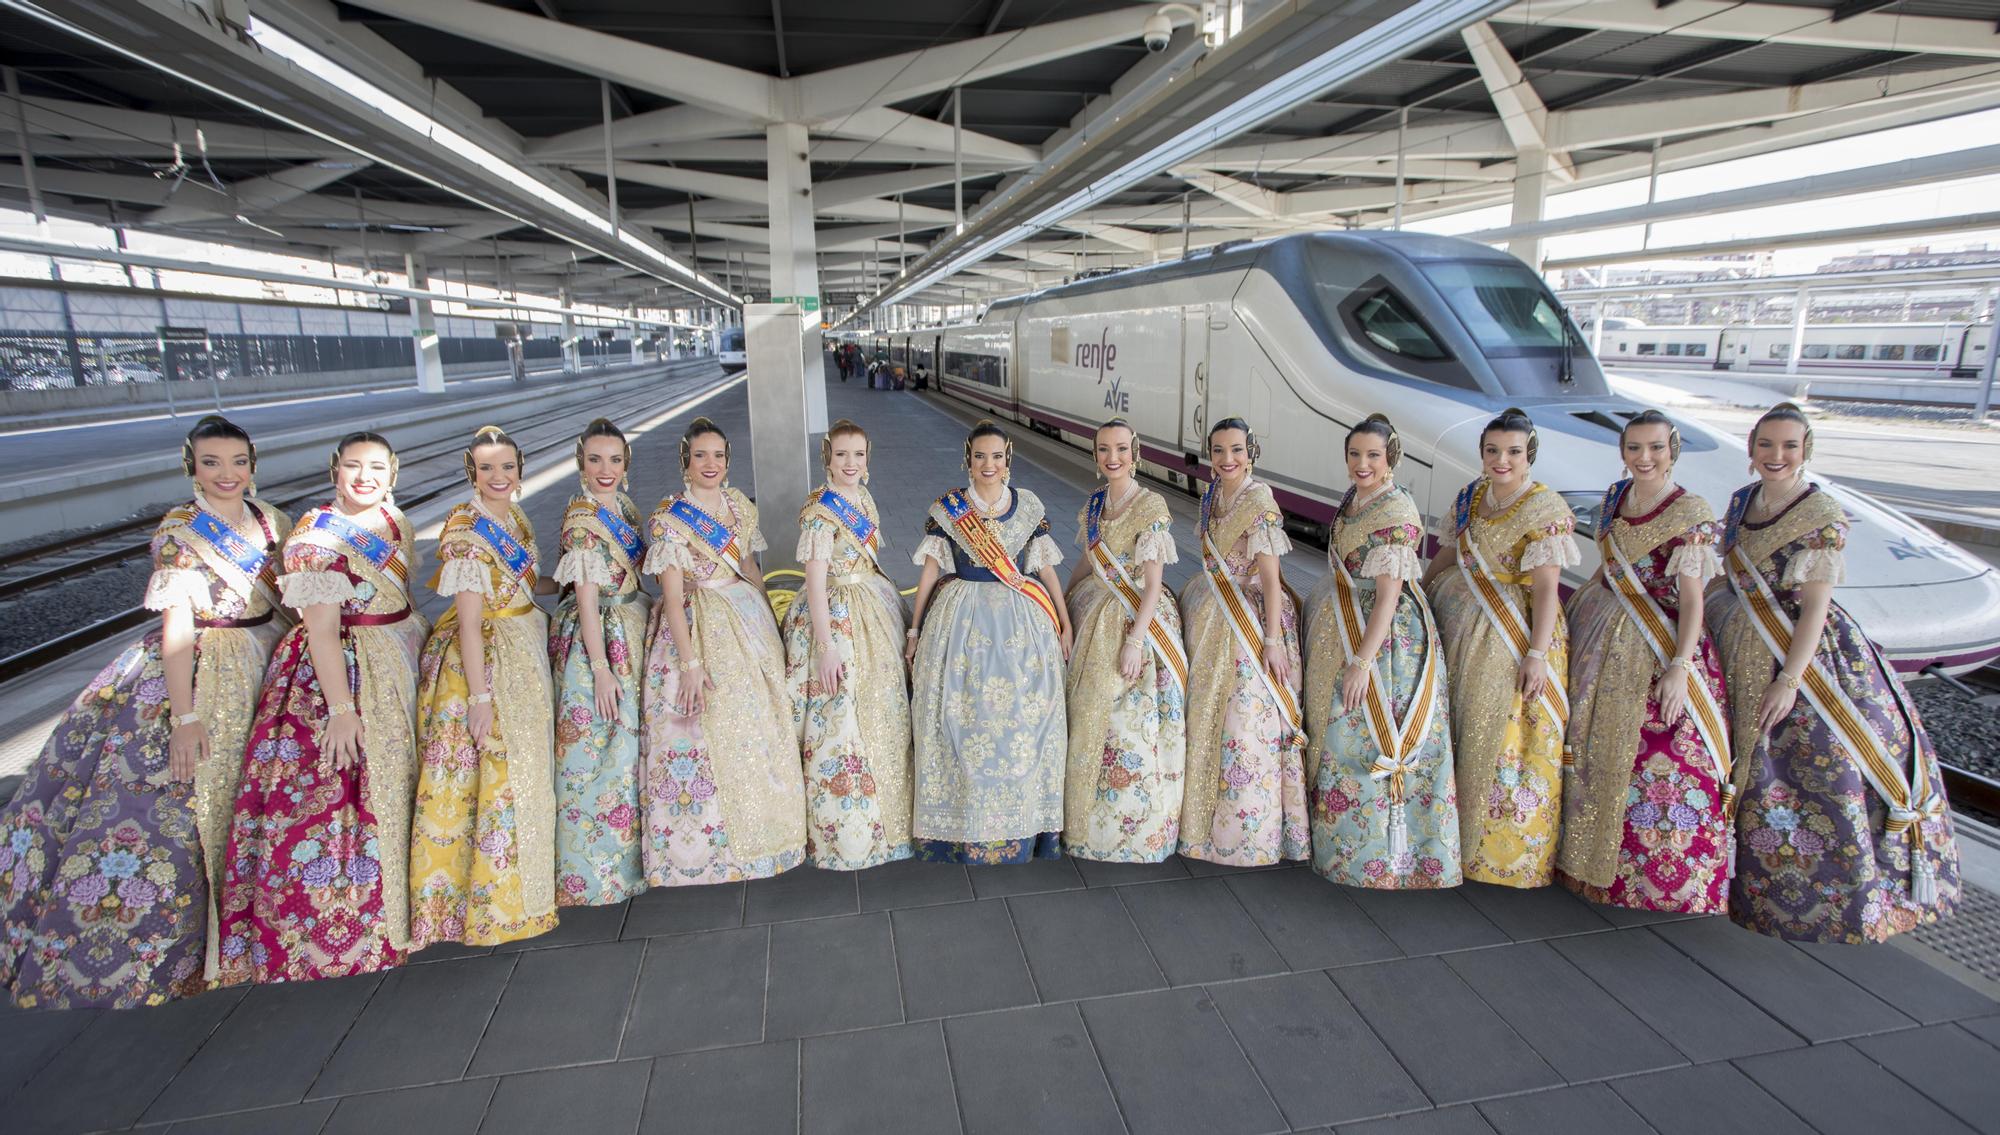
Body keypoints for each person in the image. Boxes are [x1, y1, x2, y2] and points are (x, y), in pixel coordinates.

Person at [0, 415, 290, 1007]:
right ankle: (187, 946)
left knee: (262, 793)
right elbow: (176, 628)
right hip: (207, 667)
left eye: (237, 461)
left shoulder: (272, 522)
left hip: (268, 653)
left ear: (252, 464)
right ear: (192, 467)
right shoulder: (180, 533)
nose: (227, 474)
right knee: (194, 801)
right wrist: (184, 717)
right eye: (211, 463)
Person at [1708, 402, 1958, 943]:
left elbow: (1816, 609)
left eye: (1789, 446)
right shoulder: (1740, 501)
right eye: (1767, 444)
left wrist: (1789, 680)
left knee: (1807, 771)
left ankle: (1832, 899)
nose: (1777, 455)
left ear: (1806, 450)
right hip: (1738, 642)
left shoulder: (1821, 514)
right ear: (1751, 448)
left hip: (1801, 653)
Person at [217, 432, 426, 982]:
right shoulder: (314, 539)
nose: (365, 477)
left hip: (398, 654)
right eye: (353, 466)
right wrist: (340, 709)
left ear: (393, 472)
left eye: (376, 467)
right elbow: (323, 634)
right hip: (350, 676)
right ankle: (366, 930)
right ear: (335, 471)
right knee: (358, 795)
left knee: (406, 780)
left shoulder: (390, 519)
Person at [1559, 411, 1733, 914]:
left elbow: (1693, 601)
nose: (1644, 458)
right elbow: (1605, 568)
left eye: (1654, 447)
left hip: (1659, 645)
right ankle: (1580, 861)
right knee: (1589, 746)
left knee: (1654, 757)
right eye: (1634, 447)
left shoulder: (1692, 513)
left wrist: (1681, 666)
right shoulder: (1615, 497)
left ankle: (1647, 880)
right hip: (1603, 629)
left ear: (1672, 448)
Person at [409, 425, 561, 948]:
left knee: (527, 770)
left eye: (507, 466)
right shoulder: (466, 533)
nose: (499, 476)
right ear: (471, 473)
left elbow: (520, 583)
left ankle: (530, 886)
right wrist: (479, 698)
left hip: (523, 643)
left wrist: (562, 581)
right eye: (487, 468)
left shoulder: (512, 517)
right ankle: (498, 905)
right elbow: (470, 623)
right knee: (499, 776)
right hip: (489, 661)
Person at [640, 417, 806, 884]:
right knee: (719, 723)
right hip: (702, 622)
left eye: (718, 455)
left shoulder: (738, 506)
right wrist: (690, 662)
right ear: (685, 462)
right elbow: (672, 597)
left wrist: (771, 619)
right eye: (700, 456)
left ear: (728, 461)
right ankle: (722, 849)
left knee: (765, 721)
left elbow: (750, 564)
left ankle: (773, 829)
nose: (710, 464)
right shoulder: (672, 518)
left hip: (746, 613)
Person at [906, 420, 1072, 863]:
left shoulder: (1028, 506)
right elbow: (930, 572)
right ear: (968, 458)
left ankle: (1023, 826)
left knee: (1024, 717)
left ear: (1008, 459)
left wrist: (1064, 620)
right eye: (980, 456)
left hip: (1022, 620)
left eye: (996, 456)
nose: (988, 465)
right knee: (960, 717)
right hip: (961, 619)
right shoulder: (949, 510)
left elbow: (1045, 568)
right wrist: (915, 628)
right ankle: (962, 827)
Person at [1303, 414, 1458, 889]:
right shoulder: (1354, 497)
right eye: (1355, 454)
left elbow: (1389, 595)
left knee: (1368, 734)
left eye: (1373, 455)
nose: (1362, 463)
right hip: (1346, 619)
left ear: (1391, 456)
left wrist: (1363, 663)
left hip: (1385, 639)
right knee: (1337, 737)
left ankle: (1387, 858)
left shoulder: (1396, 511)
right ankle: (1340, 848)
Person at [1425, 407, 1577, 888]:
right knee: (1455, 720)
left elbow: (1548, 588)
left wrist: (1536, 653)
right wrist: (1422, 591)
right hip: (1458, 614)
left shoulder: (1545, 507)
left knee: (1500, 731)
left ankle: (1492, 851)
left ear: (1528, 453)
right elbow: (1450, 550)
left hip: (1511, 632)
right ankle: (1444, 831)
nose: (1501, 460)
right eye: (1493, 450)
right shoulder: (1471, 495)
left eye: (1512, 451)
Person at [782, 419, 913, 870]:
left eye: (858, 454)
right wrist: (826, 646)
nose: (851, 463)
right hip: (835, 617)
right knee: (839, 721)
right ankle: (843, 833)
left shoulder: (864, 497)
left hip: (872, 606)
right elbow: (814, 583)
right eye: (841, 455)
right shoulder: (820, 511)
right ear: (827, 458)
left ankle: (888, 821)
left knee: (882, 711)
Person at [1179, 418, 1308, 866]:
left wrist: (1271, 641)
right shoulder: (1213, 493)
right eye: (1218, 450)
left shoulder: (1260, 502)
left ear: (1251, 451)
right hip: (1212, 609)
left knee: (1244, 724)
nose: (1226, 459)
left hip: (1249, 618)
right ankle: (1200, 827)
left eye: (1236, 449)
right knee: (1207, 716)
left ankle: (1250, 834)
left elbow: (1272, 581)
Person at [1061, 419, 1186, 863]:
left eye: (1120, 449)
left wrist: (1135, 640)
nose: (1112, 458)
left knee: (1131, 727)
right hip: (1094, 606)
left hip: (1135, 618)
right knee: (1088, 714)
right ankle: (1086, 828)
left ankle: (1135, 833)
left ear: (1135, 452)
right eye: (1103, 450)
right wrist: (1062, 597)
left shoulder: (1150, 505)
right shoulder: (1096, 503)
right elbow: (1088, 560)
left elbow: (1153, 586)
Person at [549, 419, 652, 906]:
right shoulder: (582, 521)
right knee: (602, 756)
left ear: (626, 465)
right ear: (581, 463)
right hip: (602, 639)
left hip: (631, 621)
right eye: (595, 460)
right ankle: (599, 875)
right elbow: (586, 600)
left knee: (632, 753)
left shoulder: (623, 507)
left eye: (614, 460)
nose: (604, 470)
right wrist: (601, 668)